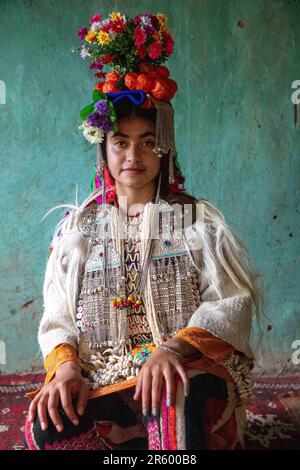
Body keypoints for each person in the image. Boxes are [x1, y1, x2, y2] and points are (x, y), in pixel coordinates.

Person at [24, 11, 261, 450]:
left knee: (173, 399)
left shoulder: (198, 222)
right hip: (105, 378)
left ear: (164, 146)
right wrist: (66, 369)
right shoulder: (77, 229)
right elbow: (56, 317)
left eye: (147, 141)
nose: (134, 155)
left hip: (181, 373)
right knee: (46, 427)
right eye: (121, 142)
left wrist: (170, 351)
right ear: (105, 149)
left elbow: (230, 304)